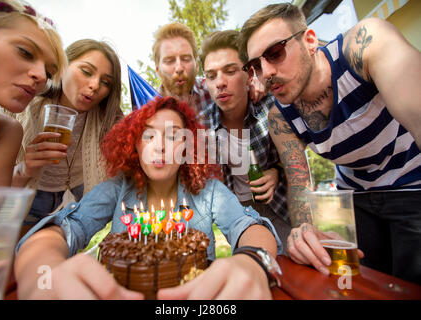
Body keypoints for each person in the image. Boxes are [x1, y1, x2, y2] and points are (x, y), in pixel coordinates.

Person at [14, 96, 282, 299]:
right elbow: (64, 229)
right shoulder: (116, 189)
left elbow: (249, 227)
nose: (161, 146)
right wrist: (41, 272)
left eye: (174, 136)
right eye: (148, 134)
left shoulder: (208, 191)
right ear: (135, 143)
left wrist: (253, 262)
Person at [238, 3, 421, 284]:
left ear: (310, 40)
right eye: (255, 65)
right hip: (357, 198)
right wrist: (303, 233)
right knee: (366, 284)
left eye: (275, 53)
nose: (266, 72)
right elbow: (300, 185)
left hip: (413, 184)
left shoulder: (364, 46)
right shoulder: (280, 116)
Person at [4, 39, 123, 230]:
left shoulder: (107, 122)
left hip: (74, 200)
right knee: (15, 254)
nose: (94, 85)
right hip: (29, 197)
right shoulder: (23, 109)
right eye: (86, 71)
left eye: (105, 82)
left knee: (53, 255)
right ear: (63, 67)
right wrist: (26, 168)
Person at [198, 30, 291, 252]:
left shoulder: (271, 107)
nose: (220, 83)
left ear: (249, 74)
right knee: (255, 270)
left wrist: (276, 171)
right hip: (239, 214)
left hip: (280, 207)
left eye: (230, 71)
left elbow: (296, 160)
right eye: (211, 76)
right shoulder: (203, 124)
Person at [0, 0, 65, 186]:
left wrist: (26, 170)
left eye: (48, 73)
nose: (40, 76)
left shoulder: (5, 132)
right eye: (25, 52)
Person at [152, 22, 264, 115]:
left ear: (196, 67)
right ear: (158, 70)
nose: (179, 68)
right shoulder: (149, 107)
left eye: (186, 59)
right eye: (169, 61)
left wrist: (256, 82)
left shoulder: (210, 88)